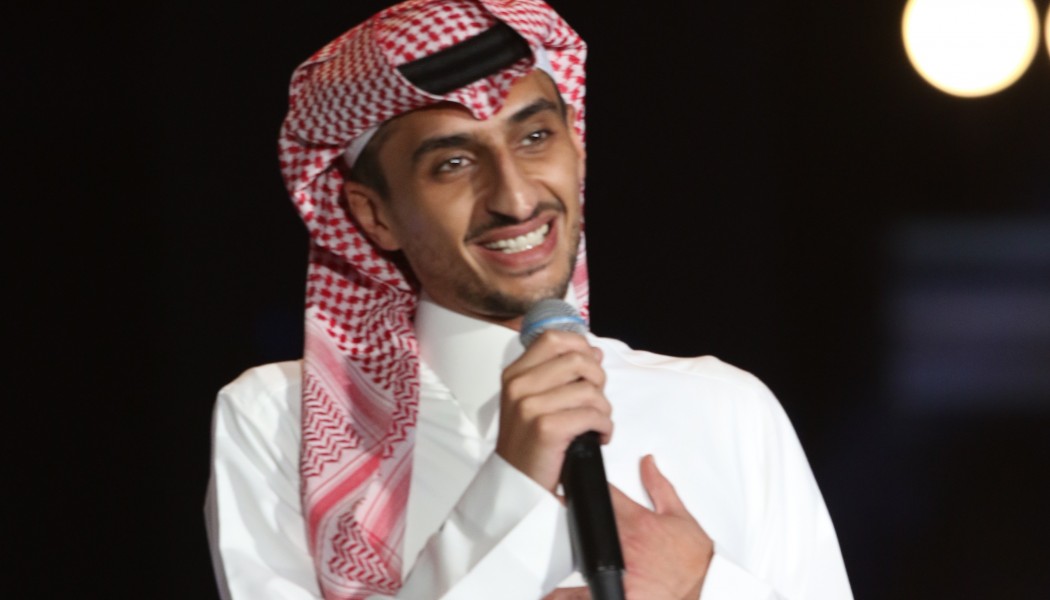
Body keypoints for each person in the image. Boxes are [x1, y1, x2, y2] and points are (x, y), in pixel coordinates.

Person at [205, 1, 854, 598]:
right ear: (375, 216)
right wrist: (510, 483)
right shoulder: (281, 417)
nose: (515, 200)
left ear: (577, 150)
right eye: (453, 163)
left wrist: (703, 589)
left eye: (535, 138)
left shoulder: (724, 406)